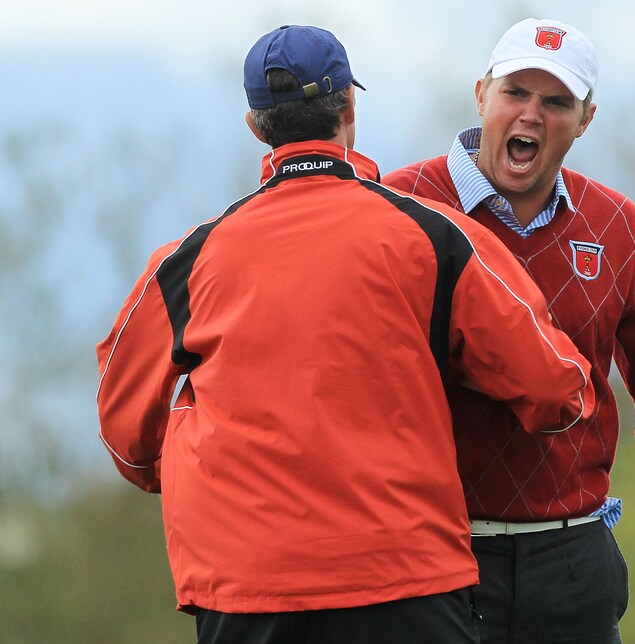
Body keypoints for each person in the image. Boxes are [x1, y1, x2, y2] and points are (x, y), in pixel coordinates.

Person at [95, 24, 596, 644]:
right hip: (407, 583)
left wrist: (202, 460)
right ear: (350, 107)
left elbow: (125, 439)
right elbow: (556, 390)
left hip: (246, 588)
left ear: (256, 127)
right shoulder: (433, 236)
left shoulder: (187, 260)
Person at [382, 17, 635, 643]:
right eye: (515, 93)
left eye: (556, 103)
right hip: (435, 558)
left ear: (585, 119)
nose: (531, 115)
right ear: (481, 95)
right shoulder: (398, 207)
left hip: (574, 561)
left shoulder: (618, 226)